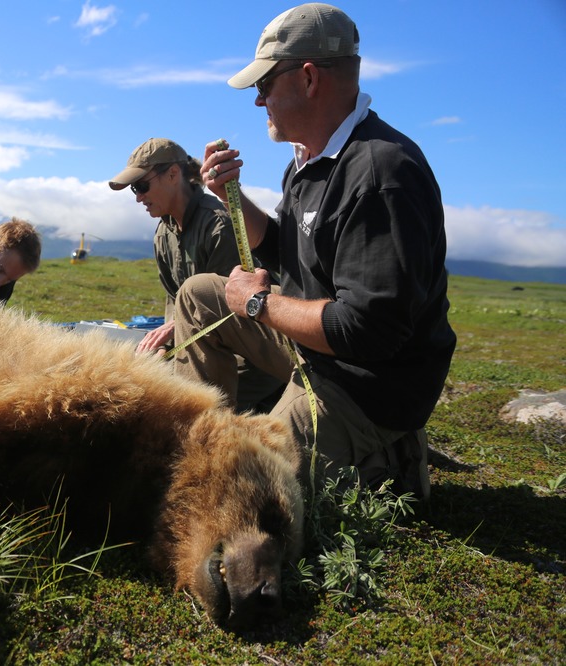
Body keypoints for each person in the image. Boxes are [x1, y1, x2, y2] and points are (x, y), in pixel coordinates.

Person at [172, 3, 456, 500]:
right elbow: (289, 250)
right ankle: (202, 435)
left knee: (244, 487)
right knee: (199, 294)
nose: (259, 102)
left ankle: (386, 453)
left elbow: (369, 332)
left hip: (364, 385)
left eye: (264, 86)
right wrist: (230, 197)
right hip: (315, 352)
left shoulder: (381, 174)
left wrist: (257, 304)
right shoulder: (308, 163)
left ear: (307, 79)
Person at [109, 138, 284, 411]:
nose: (138, 197)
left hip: (251, 355)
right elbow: (173, 306)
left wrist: (173, 338)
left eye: (142, 186)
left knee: (168, 401)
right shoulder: (163, 235)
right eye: (134, 188)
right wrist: (162, 347)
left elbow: (236, 313)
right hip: (198, 345)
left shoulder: (219, 225)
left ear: (173, 174)